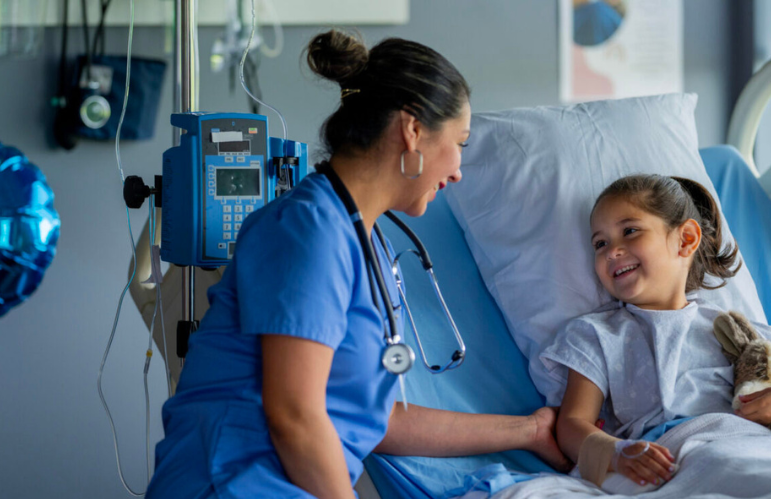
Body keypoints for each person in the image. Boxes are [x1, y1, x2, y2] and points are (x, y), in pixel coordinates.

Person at [146, 30, 570, 499]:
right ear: (412, 131)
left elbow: (375, 419)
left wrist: (528, 431)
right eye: (460, 144)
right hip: (232, 483)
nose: (457, 170)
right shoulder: (307, 231)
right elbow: (295, 418)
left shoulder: (365, 240)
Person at [541, 174, 771, 488]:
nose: (611, 252)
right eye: (600, 243)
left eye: (630, 231)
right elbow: (572, 424)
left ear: (685, 239)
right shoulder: (597, 335)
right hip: (673, 457)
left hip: (755, 442)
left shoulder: (729, 329)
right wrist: (616, 452)